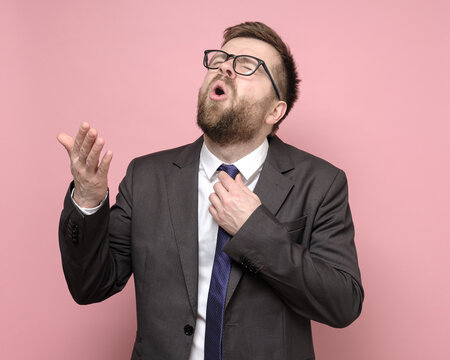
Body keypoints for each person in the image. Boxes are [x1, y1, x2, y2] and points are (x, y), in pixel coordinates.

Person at [58, 21, 363, 360]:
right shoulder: (147, 177)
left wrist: (255, 230)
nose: (226, 67)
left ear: (275, 111)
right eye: (222, 59)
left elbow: (342, 303)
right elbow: (90, 285)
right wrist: (87, 199)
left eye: (248, 66)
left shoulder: (321, 183)